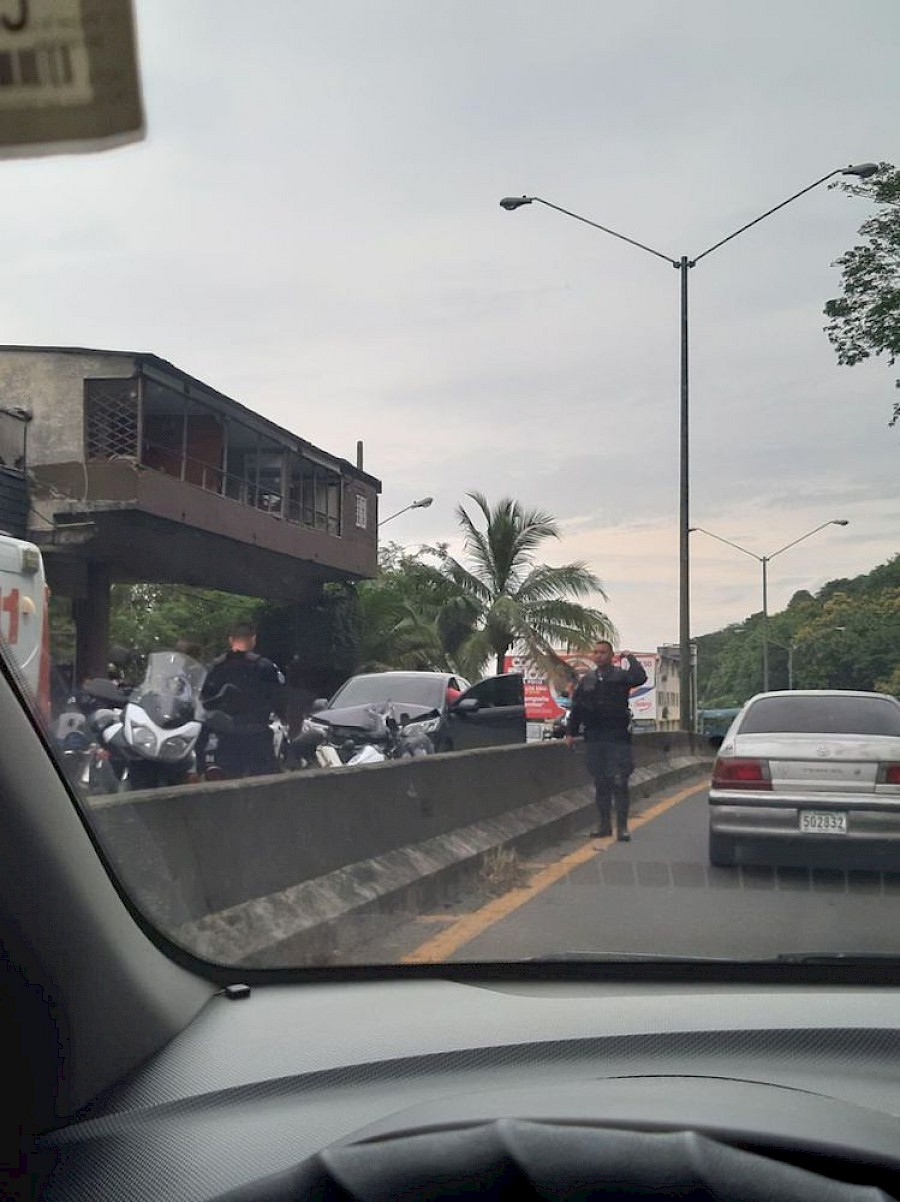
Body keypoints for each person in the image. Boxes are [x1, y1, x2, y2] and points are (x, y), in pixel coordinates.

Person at [565, 641, 647, 841]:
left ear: (611, 655)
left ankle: (623, 827)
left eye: (603, 652)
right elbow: (577, 708)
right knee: (601, 783)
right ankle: (604, 825)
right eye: (596, 652)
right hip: (595, 736)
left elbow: (640, 677)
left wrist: (630, 658)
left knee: (620, 782)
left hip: (617, 736)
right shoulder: (588, 680)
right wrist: (570, 732)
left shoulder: (621, 676)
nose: (599, 655)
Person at [200, 622, 287, 779]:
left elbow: (203, 701)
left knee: (224, 786)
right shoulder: (264, 666)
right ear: (253, 639)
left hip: (224, 740)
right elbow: (278, 699)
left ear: (230, 639)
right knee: (269, 786)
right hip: (257, 737)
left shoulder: (215, 667)